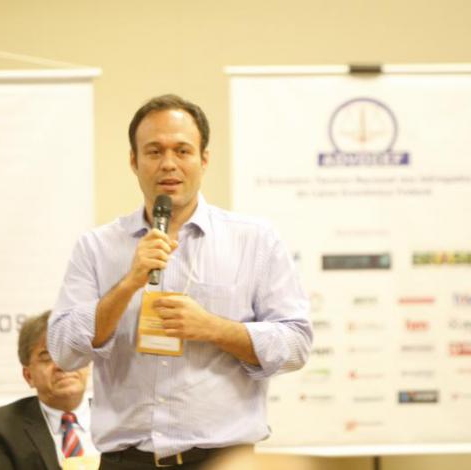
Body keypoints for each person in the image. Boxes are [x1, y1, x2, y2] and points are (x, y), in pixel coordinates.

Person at [48, 94, 312, 470]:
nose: (168, 164)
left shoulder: (254, 240)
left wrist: (213, 328)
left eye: (182, 150)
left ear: (204, 159)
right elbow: (63, 350)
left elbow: (296, 344)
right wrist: (128, 284)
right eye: (154, 151)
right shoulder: (97, 247)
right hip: (127, 461)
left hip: (221, 459)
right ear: (133, 161)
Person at [0, 311, 97, 470]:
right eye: (46, 357)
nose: (61, 365)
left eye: (70, 352)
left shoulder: (119, 419)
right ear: (28, 376)